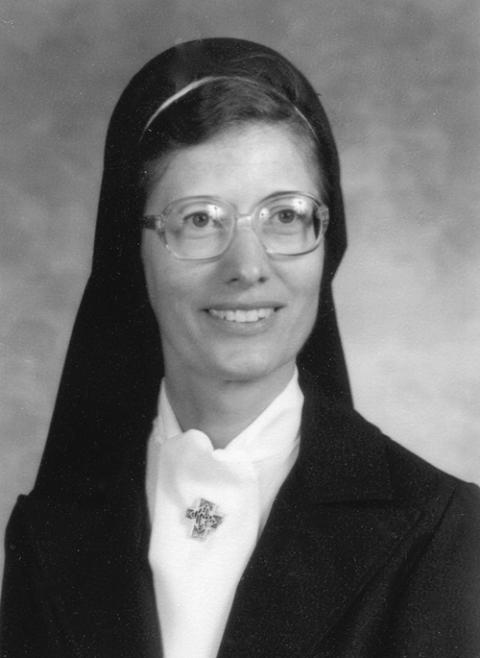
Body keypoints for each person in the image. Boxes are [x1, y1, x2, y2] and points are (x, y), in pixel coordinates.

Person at [1, 37, 479, 658]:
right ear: (133, 248)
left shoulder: (447, 532)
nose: (247, 267)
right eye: (199, 218)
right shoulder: (48, 531)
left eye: (285, 216)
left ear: (325, 242)